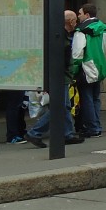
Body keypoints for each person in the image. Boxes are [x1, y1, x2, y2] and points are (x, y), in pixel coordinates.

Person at [27, 10, 83, 147]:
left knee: (65, 106)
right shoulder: (60, 36)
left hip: (61, 76)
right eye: (75, 20)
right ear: (70, 22)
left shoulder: (58, 34)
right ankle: (35, 132)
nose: (76, 23)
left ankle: (67, 133)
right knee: (59, 107)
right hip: (60, 77)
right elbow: (61, 60)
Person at [72, 3, 106, 139]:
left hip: (86, 69)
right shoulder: (105, 28)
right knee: (95, 98)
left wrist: (73, 70)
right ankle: (97, 127)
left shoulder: (81, 30)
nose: (78, 16)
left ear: (87, 15)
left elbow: (77, 54)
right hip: (100, 69)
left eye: (80, 13)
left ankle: (92, 128)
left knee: (87, 98)